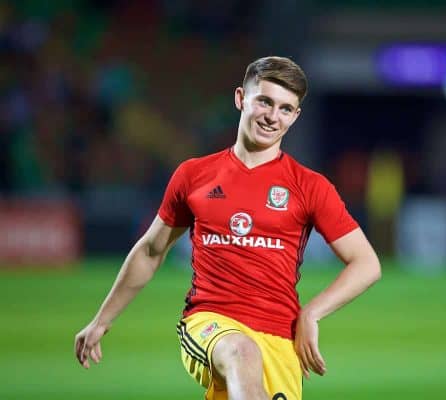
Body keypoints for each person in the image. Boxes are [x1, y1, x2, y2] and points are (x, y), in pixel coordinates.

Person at [74, 56, 381, 400]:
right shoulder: (194, 175)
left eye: (284, 108)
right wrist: (102, 320)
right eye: (264, 101)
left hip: (280, 338)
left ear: (295, 116)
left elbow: (366, 263)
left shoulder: (310, 186)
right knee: (241, 351)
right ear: (241, 99)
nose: (271, 116)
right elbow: (151, 250)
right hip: (210, 323)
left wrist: (311, 313)